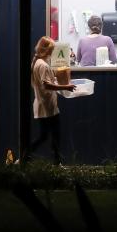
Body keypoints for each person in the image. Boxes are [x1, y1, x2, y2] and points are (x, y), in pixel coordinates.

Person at [23, 36, 76, 165]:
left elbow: (45, 83)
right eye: (52, 49)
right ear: (46, 50)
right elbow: (46, 85)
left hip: (45, 105)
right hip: (47, 107)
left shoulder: (37, 62)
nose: (53, 52)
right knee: (51, 136)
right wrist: (66, 86)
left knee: (47, 135)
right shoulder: (43, 65)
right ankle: (25, 156)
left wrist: (57, 82)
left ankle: (26, 157)